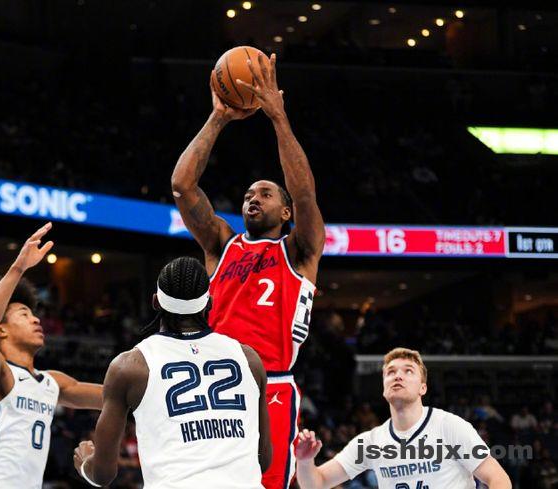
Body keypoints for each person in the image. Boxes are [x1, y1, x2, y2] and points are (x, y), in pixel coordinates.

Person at [171, 52, 325, 489]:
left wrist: (278, 117)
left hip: (270, 386)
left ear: (286, 212)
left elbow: (305, 193)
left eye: (265, 194)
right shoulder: (222, 244)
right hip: (212, 385)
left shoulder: (299, 250)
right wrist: (218, 118)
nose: (253, 198)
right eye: (247, 195)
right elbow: (182, 186)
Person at [73, 257, 272, 488]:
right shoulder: (249, 359)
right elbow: (263, 460)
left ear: (155, 302)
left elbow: (103, 475)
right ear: (209, 303)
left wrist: (85, 463)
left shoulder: (130, 366)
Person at [0, 223, 103, 489]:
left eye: (34, 314)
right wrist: (18, 268)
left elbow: (114, 396)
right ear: (0, 329)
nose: (36, 319)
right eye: (24, 314)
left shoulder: (52, 383)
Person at [295, 348, 512, 489]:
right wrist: (304, 461)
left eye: (408, 371)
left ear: (423, 388)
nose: (398, 375)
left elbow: (498, 479)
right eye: (391, 372)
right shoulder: (371, 442)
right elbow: (317, 483)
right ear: (384, 388)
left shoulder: (450, 427)